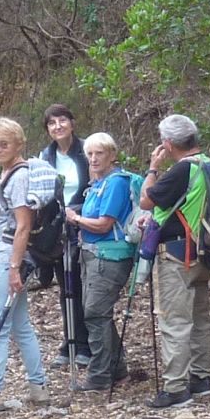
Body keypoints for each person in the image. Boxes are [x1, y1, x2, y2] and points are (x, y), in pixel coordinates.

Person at [0, 118, 52, 415]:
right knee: (19, 324)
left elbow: (23, 226)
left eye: (4, 143)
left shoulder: (17, 178)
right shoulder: (10, 174)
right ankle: (38, 386)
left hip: (7, 259)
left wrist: (14, 268)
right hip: (8, 258)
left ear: (19, 145)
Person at [139, 114, 210, 409]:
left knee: (175, 320)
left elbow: (147, 200)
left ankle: (175, 388)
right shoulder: (209, 165)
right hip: (205, 251)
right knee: (199, 317)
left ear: (168, 144)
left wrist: (153, 168)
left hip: (176, 255)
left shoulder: (181, 170)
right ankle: (201, 378)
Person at [64, 132, 134, 391]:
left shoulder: (115, 183)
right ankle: (117, 370)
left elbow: (105, 223)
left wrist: (76, 218)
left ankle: (100, 376)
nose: (93, 159)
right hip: (94, 254)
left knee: (94, 312)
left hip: (110, 255)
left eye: (99, 153)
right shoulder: (98, 183)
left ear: (112, 155)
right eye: (90, 154)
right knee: (96, 313)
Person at [38, 104, 92, 368]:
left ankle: (86, 344)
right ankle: (70, 341)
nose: (57, 126)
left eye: (62, 120)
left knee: (83, 287)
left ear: (72, 122)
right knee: (66, 287)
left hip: (86, 226)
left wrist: (77, 212)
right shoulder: (44, 158)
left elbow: (96, 185)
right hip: (57, 230)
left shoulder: (87, 151)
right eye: (52, 123)